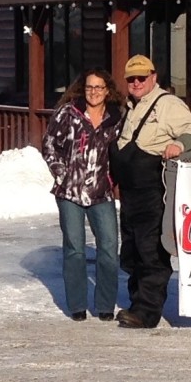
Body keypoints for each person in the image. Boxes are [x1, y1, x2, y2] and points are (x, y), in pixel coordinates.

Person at [110, 54, 191, 329]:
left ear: (154, 77)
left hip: (153, 192)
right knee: (131, 252)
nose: (136, 83)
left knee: (151, 252)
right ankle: (136, 302)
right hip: (129, 194)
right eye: (131, 79)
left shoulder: (167, 104)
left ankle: (146, 312)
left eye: (142, 77)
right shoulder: (131, 107)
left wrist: (179, 144)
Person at [41, 68, 122, 321]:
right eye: (89, 87)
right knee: (75, 248)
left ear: (107, 90)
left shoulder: (116, 117)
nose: (94, 92)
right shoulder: (69, 113)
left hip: (101, 192)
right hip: (70, 191)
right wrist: (61, 172)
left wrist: (113, 177)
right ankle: (77, 304)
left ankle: (105, 305)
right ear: (82, 89)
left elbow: (122, 151)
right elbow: (49, 144)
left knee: (109, 246)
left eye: (99, 87)